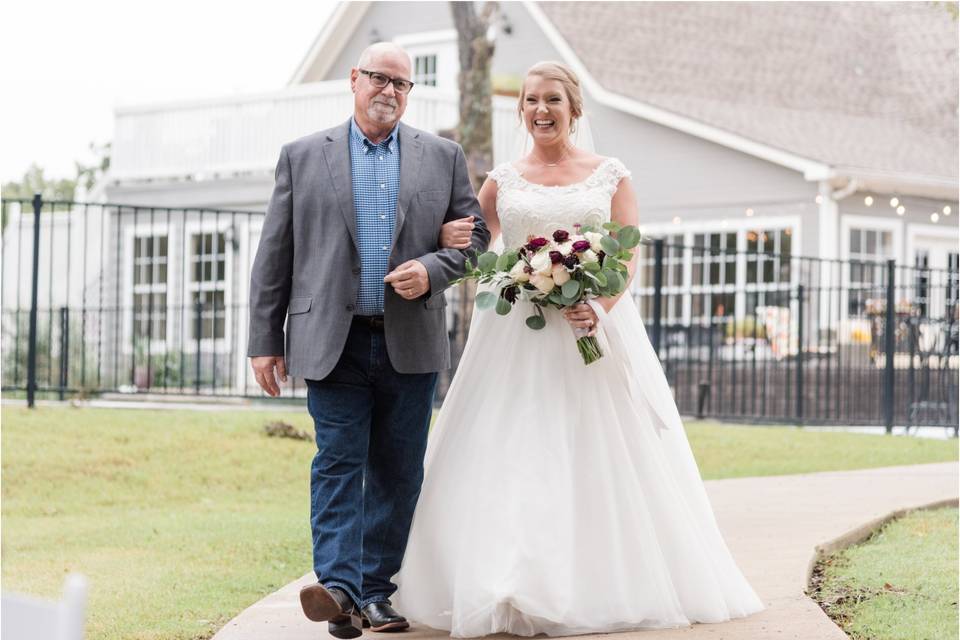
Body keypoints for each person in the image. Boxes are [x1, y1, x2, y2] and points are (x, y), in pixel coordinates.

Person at [392, 61, 765, 637]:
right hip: (514, 335)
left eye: (553, 101)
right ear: (522, 111)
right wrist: (448, 237)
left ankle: (588, 581)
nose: (541, 110)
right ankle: (505, 581)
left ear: (574, 109)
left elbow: (625, 254)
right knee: (512, 449)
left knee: (592, 452)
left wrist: (600, 307)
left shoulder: (609, 175)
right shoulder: (502, 180)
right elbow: (472, 242)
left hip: (590, 329)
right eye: (531, 101)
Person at [246, 42, 489, 639]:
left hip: (411, 340)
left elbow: (475, 239)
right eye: (380, 78)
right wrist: (263, 340)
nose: (390, 91)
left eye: (402, 84)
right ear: (354, 79)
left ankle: (375, 593)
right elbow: (274, 254)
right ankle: (338, 588)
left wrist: (432, 269)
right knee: (337, 461)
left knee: (398, 469)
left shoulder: (444, 156)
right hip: (333, 339)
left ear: (409, 93)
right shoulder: (302, 157)